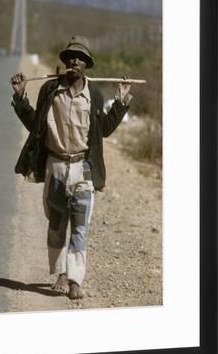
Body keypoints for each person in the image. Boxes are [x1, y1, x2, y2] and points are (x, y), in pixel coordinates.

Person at [10, 35, 132, 300]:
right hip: (55, 166)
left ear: (87, 64)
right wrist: (21, 99)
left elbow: (105, 130)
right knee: (56, 224)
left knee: (80, 227)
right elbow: (36, 126)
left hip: (83, 169)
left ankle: (76, 279)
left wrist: (121, 102)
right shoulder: (50, 91)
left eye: (80, 58)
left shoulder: (95, 95)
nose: (74, 61)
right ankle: (61, 273)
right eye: (70, 57)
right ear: (65, 62)